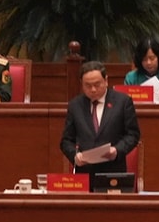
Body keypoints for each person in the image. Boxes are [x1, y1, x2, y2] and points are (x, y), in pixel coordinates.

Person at [60, 62, 141, 190]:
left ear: (106, 81)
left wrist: (117, 150)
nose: (93, 89)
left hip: (113, 173)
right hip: (85, 175)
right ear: (81, 84)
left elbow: (133, 135)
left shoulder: (122, 102)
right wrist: (75, 156)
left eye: (97, 84)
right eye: (88, 85)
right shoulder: (75, 105)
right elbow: (66, 141)